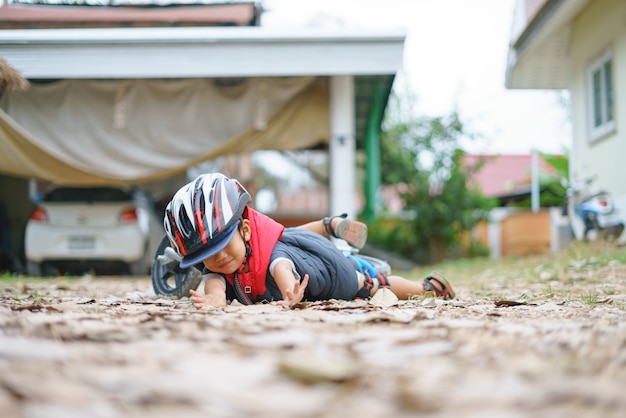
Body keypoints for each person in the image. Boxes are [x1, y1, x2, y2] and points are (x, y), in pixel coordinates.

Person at [163, 173, 455, 309]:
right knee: (292, 235)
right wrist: (214, 298)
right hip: (307, 248)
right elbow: (214, 282)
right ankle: (328, 227)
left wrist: (290, 291)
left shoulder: (273, 256)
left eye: (224, 245)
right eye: (208, 254)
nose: (219, 258)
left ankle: (427, 288)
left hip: (331, 268)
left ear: (246, 230)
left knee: (377, 284)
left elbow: (283, 269)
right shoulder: (219, 267)